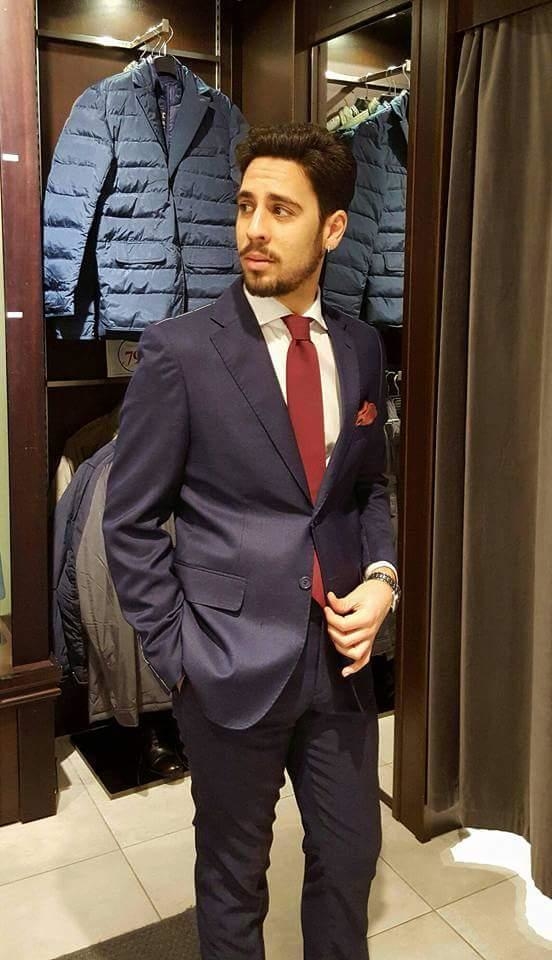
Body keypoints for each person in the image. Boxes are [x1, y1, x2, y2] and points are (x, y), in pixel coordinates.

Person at [103, 122, 399, 960]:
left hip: (340, 663)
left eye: (280, 209)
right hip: (226, 666)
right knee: (233, 882)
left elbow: (367, 490)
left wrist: (383, 578)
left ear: (332, 229)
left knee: (350, 860)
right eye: (244, 207)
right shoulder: (180, 351)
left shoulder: (361, 346)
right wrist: (179, 656)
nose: (253, 230)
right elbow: (129, 521)